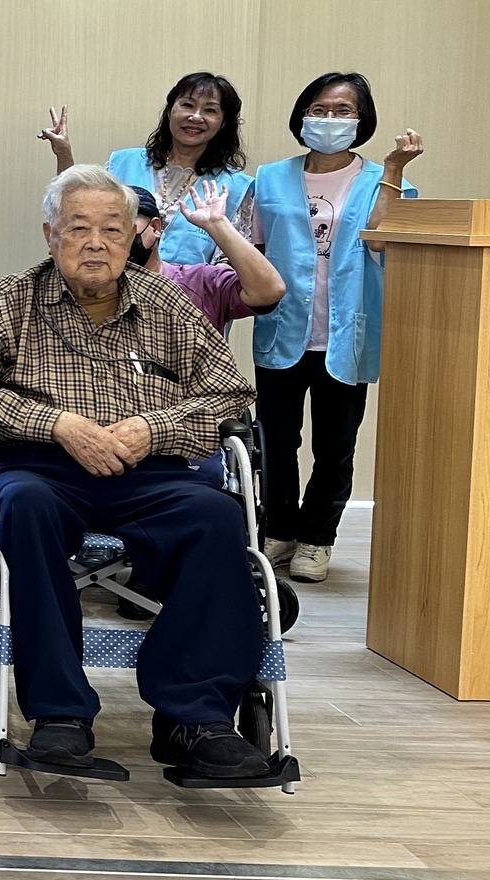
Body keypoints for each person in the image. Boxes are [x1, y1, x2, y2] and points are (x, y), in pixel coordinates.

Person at [0, 164, 268, 780]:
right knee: (25, 510)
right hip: (43, 469)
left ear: (133, 234)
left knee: (217, 517)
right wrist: (57, 424)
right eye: (78, 228)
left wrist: (154, 429)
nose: (96, 243)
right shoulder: (4, 302)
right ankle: (60, 713)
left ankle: (195, 716)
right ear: (50, 234)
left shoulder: (169, 305)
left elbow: (231, 395)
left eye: (113, 229)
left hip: (153, 471)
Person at [251, 73, 423, 583]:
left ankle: (316, 539)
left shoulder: (384, 181)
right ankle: (278, 530)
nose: (330, 120)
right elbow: (251, 248)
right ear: (302, 115)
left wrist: (394, 169)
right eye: (320, 109)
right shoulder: (269, 178)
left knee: (335, 447)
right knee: (275, 442)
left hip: (347, 334)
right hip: (283, 329)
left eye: (343, 111)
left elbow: (383, 241)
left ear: (361, 120)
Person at [39, 73, 258, 264]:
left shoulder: (236, 186)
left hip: (191, 295)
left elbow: (228, 265)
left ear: (223, 123)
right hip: (114, 288)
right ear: (170, 110)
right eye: (187, 105)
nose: (195, 116)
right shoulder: (123, 162)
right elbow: (78, 209)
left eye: (210, 110)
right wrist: (63, 153)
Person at [128, 181, 285, 331]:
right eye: (113, 229)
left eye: (126, 224)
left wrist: (217, 223)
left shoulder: (200, 282)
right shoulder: (112, 287)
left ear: (155, 227)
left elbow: (269, 291)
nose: (119, 236)